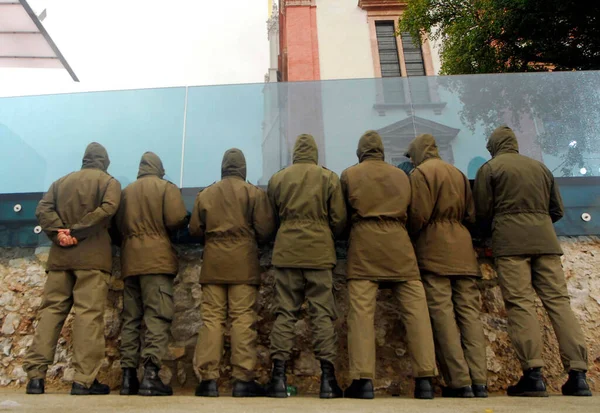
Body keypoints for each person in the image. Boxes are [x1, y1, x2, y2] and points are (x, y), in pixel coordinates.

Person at [473, 126, 591, 397]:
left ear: (494, 146)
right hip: (547, 244)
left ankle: (534, 374)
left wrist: (487, 234)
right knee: (559, 303)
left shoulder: (490, 169)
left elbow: (482, 211)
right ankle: (579, 374)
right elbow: (557, 210)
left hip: (511, 243)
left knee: (520, 304)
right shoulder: (540, 168)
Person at [340, 131, 437, 400]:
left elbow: (341, 215)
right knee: (416, 310)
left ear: (361, 151)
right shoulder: (402, 176)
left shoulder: (350, 175)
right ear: (382, 150)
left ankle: (363, 381)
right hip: (399, 244)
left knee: (361, 313)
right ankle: (426, 379)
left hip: (364, 244)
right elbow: (416, 214)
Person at [24, 143, 121, 395]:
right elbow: (108, 209)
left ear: (85, 160)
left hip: (60, 259)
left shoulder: (60, 183)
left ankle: (35, 377)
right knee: (88, 316)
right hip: (92, 260)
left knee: (51, 313)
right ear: (104, 161)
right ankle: (83, 380)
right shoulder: (109, 183)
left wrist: (59, 234)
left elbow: (42, 209)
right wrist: (77, 232)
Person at [406, 134, 487, 398]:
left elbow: (418, 214)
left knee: (443, 317)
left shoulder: (420, 174)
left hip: (434, 250)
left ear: (418, 152)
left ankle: (459, 381)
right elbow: (471, 214)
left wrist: (413, 234)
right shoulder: (458, 173)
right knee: (470, 316)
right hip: (463, 250)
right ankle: (480, 381)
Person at [266, 134, 346, 399]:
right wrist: (324, 234)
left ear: (294, 152)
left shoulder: (278, 179)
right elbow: (339, 219)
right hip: (319, 252)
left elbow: (270, 220)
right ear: (315, 152)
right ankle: (328, 380)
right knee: (322, 313)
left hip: (286, 251)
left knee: (285, 314)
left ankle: (277, 379)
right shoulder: (328, 178)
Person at [190, 148, 275, 398]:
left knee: (212, 319)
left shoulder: (206, 194)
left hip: (214, 263)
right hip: (243, 263)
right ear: (243, 168)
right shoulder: (253, 193)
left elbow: (195, 228)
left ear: (223, 167)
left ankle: (207, 380)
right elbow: (265, 228)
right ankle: (242, 379)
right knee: (242, 319)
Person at [116, 152, 188, 396]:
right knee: (157, 317)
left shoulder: (125, 193)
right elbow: (177, 217)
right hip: (156, 261)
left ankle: (128, 378)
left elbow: (115, 226)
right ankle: (150, 375)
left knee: (131, 319)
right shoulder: (165, 187)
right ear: (160, 168)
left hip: (130, 262)